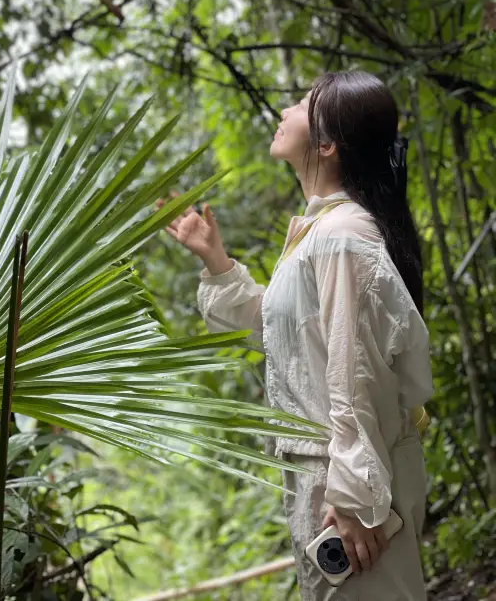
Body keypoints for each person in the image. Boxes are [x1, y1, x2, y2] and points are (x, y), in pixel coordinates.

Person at [161, 71, 433, 601]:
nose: (283, 110)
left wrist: (354, 495)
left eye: (300, 104)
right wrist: (215, 260)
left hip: (347, 477)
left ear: (327, 145)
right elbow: (283, 334)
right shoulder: (321, 232)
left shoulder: (339, 238)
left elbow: (355, 371)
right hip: (333, 472)